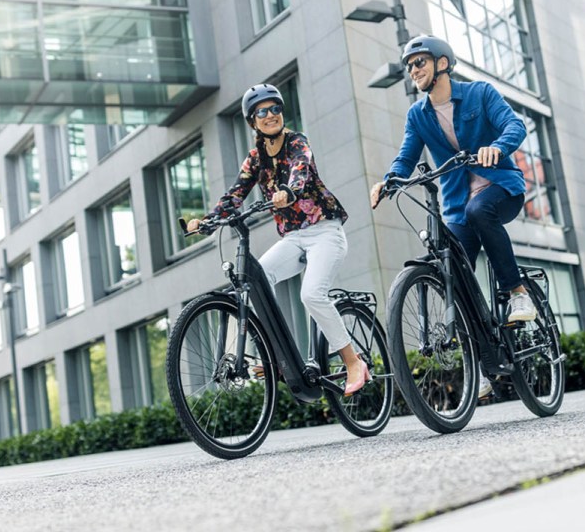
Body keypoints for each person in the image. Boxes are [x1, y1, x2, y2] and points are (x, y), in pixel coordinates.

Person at [369, 35, 536, 398]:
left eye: (420, 62)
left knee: (481, 211)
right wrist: (389, 180)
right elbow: (407, 156)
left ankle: (517, 292)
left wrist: (497, 147)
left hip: (501, 187)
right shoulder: (418, 114)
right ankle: (483, 359)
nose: (414, 70)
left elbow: (515, 126)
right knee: (451, 269)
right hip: (457, 202)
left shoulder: (480, 93)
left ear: (442, 63)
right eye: (410, 66)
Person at [187, 83, 370, 396]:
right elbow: (235, 195)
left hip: (325, 231)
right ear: (252, 121)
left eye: (275, 108)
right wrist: (207, 220)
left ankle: (354, 362)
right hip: (293, 238)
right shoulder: (255, 159)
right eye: (262, 111)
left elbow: (301, 169)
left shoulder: (298, 142)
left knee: (311, 294)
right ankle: (273, 356)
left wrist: (290, 191)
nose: (271, 115)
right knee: (254, 280)